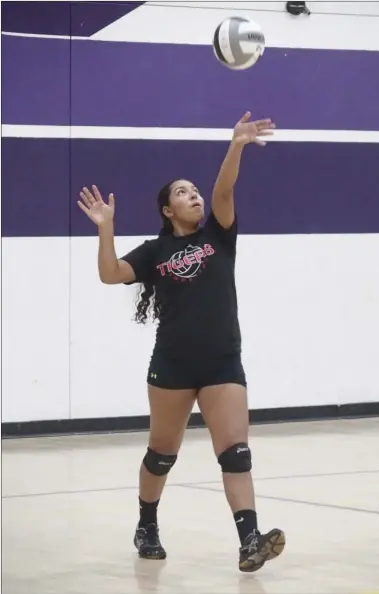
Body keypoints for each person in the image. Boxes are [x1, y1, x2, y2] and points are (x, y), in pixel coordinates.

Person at [77, 112, 285, 573]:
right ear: (168, 210)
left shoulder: (219, 235)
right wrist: (105, 226)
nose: (193, 197)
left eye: (195, 191)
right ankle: (146, 525)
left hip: (221, 362)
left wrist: (237, 145)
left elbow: (224, 192)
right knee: (162, 454)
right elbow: (110, 274)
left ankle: (250, 540)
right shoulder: (156, 252)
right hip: (172, 364)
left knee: (236, 452)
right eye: (182, 192)